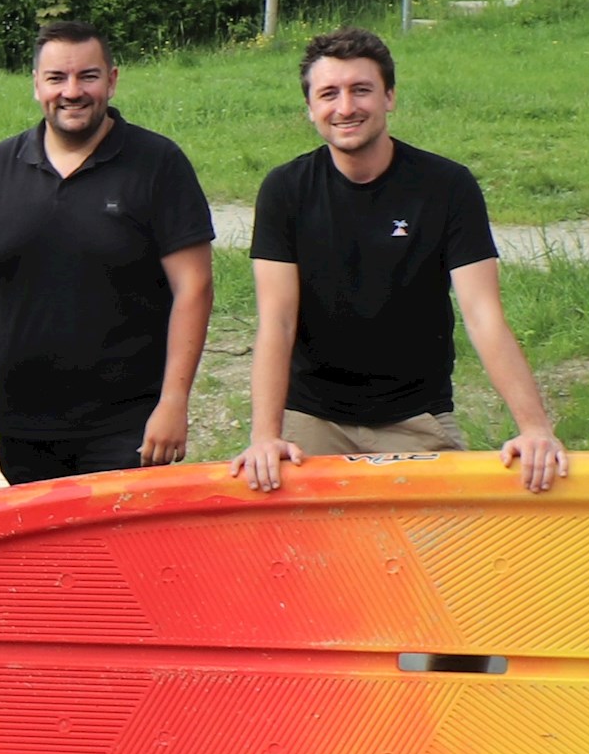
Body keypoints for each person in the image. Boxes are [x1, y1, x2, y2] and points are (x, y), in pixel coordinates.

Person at [235, 27, 570, 493]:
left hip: (416, 416)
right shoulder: (285, 190)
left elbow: (483, 314)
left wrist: (535, 427)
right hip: (311, 419)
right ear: (310, 108)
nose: (346, 107)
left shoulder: (447, 186)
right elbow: (277, 321)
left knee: (439, 556)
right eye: (329, 93)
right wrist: (265, 437)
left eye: (361, 90)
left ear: (389, 97)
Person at [0, 21, 217, 483]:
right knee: (44, 558)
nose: (72, 91)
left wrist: (174, 403)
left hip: (128, 429)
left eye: (87, 76)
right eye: (56, 78)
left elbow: (194, 286)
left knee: (123, 557)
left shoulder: (158, 164)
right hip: (25, 426)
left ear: (112, 80)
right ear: (36, 85)